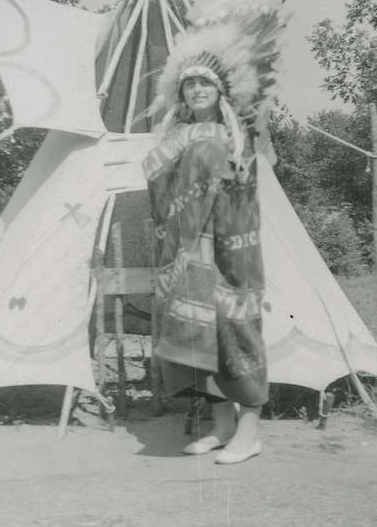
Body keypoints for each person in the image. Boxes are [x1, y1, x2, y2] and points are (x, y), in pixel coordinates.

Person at [143, 31, 274, 465]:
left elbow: (243, 193)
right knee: (199, 342)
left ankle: (250, 432)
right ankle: (222, 426)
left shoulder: (236, 136)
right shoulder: (178, 135)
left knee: (236, 336)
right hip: (188, 255)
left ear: (221, 90)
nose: (198, 90)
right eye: (190, 84)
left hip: (229, 251)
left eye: (206, 84)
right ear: (180, 91)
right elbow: (159, 184)